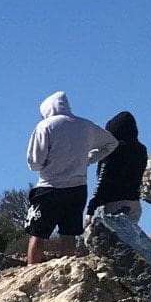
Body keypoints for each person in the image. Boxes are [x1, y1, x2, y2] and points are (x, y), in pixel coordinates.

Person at [24, 92, 117, 264]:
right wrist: (89, 159)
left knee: (37, 234)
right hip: (77, 188)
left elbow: (34, 162)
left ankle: (30, 269)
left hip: (49, 187)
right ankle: (68, 271)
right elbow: (111, 143)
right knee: (69, 234)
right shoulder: (86, 126)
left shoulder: (45, 126)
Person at [86, 111, 147, 226]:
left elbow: (103, 179)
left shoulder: (112, 150)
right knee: (129, 241)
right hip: (134, 203)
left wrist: (91, 208)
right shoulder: (141, 150)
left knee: (108, 242)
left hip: (113, 204)